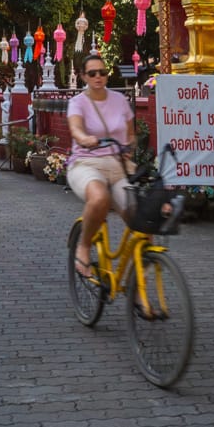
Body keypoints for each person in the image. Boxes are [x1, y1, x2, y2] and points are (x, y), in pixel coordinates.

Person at [65, 52, 135, 279]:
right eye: (92, 73)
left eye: (102, 73)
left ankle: (137, 287)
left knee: (142, 221)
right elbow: (75, 128)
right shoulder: (77, 103)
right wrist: (84, 138)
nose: (98, 77)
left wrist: (129, 149)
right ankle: (83, 246)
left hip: (117, 166)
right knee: (99, 198)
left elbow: (130, 135)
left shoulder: (120, 100)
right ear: (84, 76)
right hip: (86, 162)